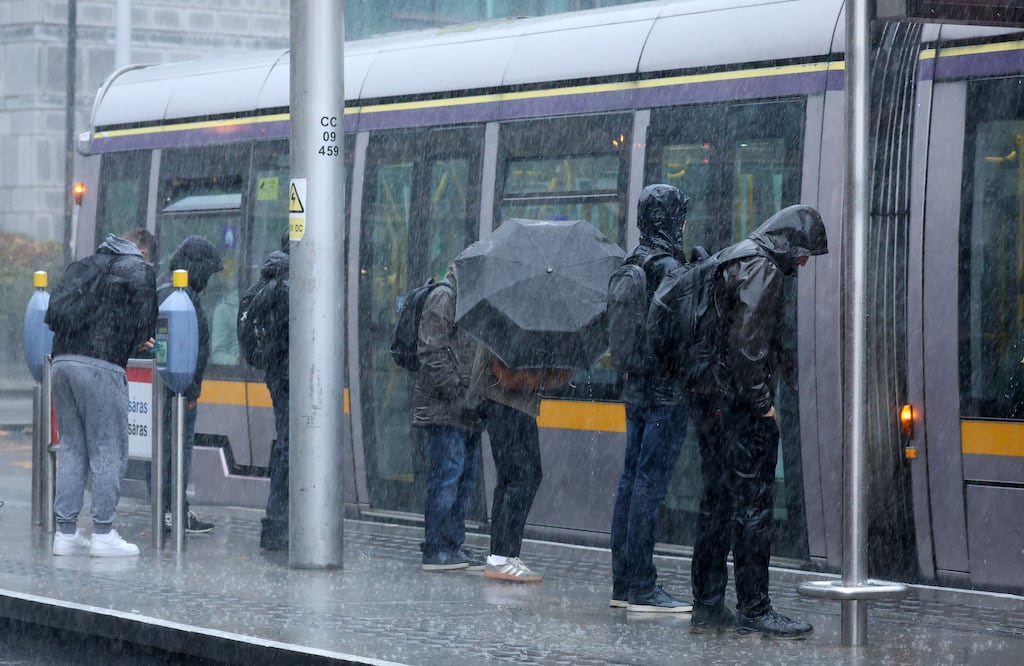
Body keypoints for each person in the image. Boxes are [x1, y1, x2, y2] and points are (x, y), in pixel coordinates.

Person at [687, 205, 827, 638]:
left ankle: (708, 603)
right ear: (791, 243)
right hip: (740, 409)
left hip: (711, 400)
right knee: (752, 506)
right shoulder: (762, 267)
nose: (803, 264)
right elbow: (747, 345)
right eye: (805, 254)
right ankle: (755, 607)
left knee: (716, 503)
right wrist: (764, 404)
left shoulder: (735, 255)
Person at [46, 233, 157, 556]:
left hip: (62, 362)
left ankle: (65, 533)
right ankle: (103, 533)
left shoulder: (85, 265)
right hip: (102, 364)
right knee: (108, 447)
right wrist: (137, 338)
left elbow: (55, 314)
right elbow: (145, 328)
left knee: (72, 448)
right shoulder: (138, 270)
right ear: (141, 252)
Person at [609, 184, 693, 612]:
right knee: (649, 487)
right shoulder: (670, 269)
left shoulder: (633, 262)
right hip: (664, 394)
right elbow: (682, 338)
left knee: (629, 482)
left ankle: (623, 583)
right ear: (672, 220)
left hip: (635, 390)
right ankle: (643, 586)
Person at [470, 350, 571, 582]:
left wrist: (550, 374)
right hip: (505, 405)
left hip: (515, 406)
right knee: (520, 477)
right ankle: (501, 556)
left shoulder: (514, 323)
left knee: (516, 478)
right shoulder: (505, 324)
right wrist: (546, 377)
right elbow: (508, 377)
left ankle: (505, 555)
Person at [413, 265, 486, 571]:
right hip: (445, 409)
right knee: (447, 477)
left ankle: (453, 544)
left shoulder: (474, 302)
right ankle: (436, 546)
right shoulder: (445, 297)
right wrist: (458, 391)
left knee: (464, 480)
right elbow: (431, 352)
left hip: (467, 410)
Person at [154, 235, 223, 534]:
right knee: (178, 451)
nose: (208, 281)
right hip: (179, 391)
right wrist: (192, 389)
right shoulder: (185, 297)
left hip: (159, 388)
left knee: (162, 451)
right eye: (207, 272)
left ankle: (164, 509)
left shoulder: (160, 289)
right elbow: (196, 346)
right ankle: (174, 512)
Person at [257, 234, 291, 551]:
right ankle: (278, 524)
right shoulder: (287, 285)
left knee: (286, 445)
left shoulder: (272, 278)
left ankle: (277, 523)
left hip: (278, 375)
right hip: (290, 377)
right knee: (290, 448)